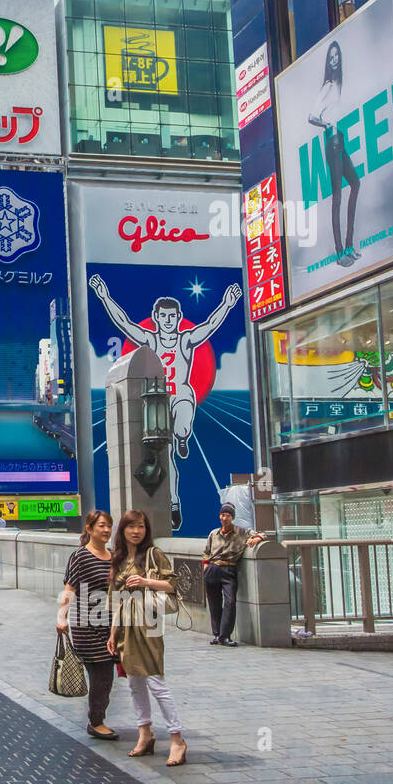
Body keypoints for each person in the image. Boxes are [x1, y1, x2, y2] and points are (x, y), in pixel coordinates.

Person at [89, 273, 242, 532]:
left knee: (183, 397)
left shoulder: (186, 340)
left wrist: (227, 304)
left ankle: (183, 435)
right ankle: (173, 504)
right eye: (164, 317)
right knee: (165, 460)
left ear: (178, 318)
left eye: (173, 317)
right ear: (156, 318)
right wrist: (104, 296)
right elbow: (124, 323)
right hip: (157, 404)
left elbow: (210, 325)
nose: (168, 321)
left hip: (179, 395)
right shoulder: (150, 340)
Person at [107, 509, 188, 767]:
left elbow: (173, 585)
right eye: (131, 527)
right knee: (134, 683)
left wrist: (144, 581)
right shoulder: (118, 559)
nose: (136, 531)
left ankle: (177, 739)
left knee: (156, 682)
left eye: (141, 526)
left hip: (149, 623)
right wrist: (112, 633)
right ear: (123, 531)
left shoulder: (154, 554)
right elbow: (115, 601)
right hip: (125, 627)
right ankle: (145, 734)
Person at [58, 510, 119, 741]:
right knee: (103, 674)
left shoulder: (113, 556)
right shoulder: (80, 556)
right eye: (101, 526)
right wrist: (61, 617)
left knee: (105, 675)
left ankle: (97, 718)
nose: (105, 530)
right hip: (87, 626)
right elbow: (69, 589)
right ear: (89, 528)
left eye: (108, 526)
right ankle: (96, 722)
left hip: (110, 625)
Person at [308, 41, 362, 268]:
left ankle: (349, 245)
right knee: (338, 195)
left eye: (336, 55)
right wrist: (326, 123)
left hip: (340, 138)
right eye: (331, 56)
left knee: (355, 184)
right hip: (332, 140)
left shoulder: (339, 83)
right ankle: (341, 251)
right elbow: (311, 116)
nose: (334, 59)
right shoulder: (328, 85)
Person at [203, 504, 264, 647]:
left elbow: (262, 534)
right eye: (223, 515)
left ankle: (225, 636)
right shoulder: (213, 533)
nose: (225, 518)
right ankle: (217, 635)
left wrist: (256, 539)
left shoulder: (241, 532)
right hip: (212, 569)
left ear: (232, 517)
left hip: (229, 570)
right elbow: (206, 552)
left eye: (228, 516)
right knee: (214, 604)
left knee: (230, 603)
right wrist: (206, 567)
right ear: (220, 516)